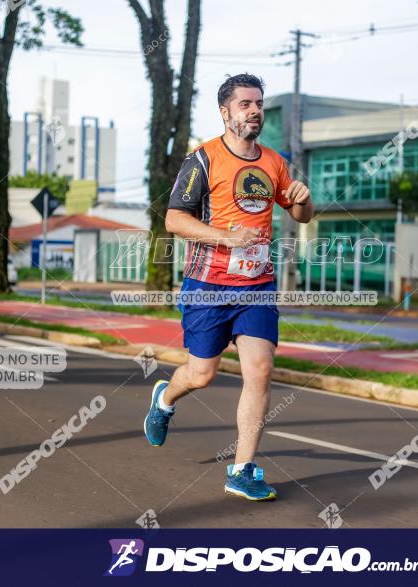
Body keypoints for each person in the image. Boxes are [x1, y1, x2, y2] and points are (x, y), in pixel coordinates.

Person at [144, 74, 314, 501]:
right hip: (208, 286)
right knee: (202, 373)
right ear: (226, 112)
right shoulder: (202, 160)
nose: (255, 111)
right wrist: (225, 236)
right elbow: (174, 220)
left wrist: (303, 197)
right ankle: (166, 396)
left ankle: (242, 469)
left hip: (257, 286)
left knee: (260, 371)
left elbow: (301, 215)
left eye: (259, 103)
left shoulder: (273, 162)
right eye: (245, 104)